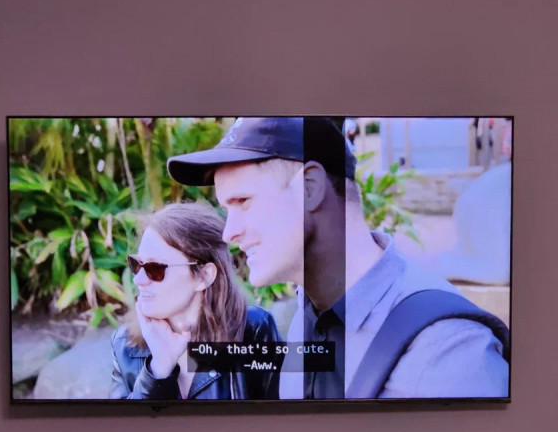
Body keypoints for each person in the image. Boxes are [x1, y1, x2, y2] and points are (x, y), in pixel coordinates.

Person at [167, 117, 509, 400]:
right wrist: (174, 364)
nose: (229, 233)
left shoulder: (449, 354)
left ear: (310, 188)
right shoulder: (310, 314)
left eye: (243, 201)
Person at [110, 202, 281, 400]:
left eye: (155, 269)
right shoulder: (124, 345)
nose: (138, 280)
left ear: (204, 276)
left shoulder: (254, 329)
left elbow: (282, 413)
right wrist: (158, 371)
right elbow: (121, 421)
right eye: (136, 265)